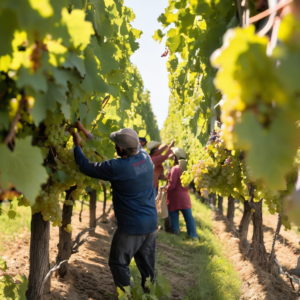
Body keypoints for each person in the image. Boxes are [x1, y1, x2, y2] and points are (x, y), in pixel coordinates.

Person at [71, 124, 157, 292]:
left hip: (132, 226)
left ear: (120, 148)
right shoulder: (145, 156)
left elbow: (86, 166)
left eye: (115, 145)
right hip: (151, 224)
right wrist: (82, 128)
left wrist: (77, 146)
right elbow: (102, 150)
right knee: (147, 268)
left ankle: (127, 297)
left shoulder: (118, 167)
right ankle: (150, 295)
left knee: (118, 263)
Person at [165, 148, 198, 238]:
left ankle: (175, 236)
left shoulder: (175, 168)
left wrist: (164, 188)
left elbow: (172, 186)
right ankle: (194, 236)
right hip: (185, 198)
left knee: (174, 218)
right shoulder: (188, 168)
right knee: (189, 218)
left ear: (176, 157)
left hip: (174, 198)